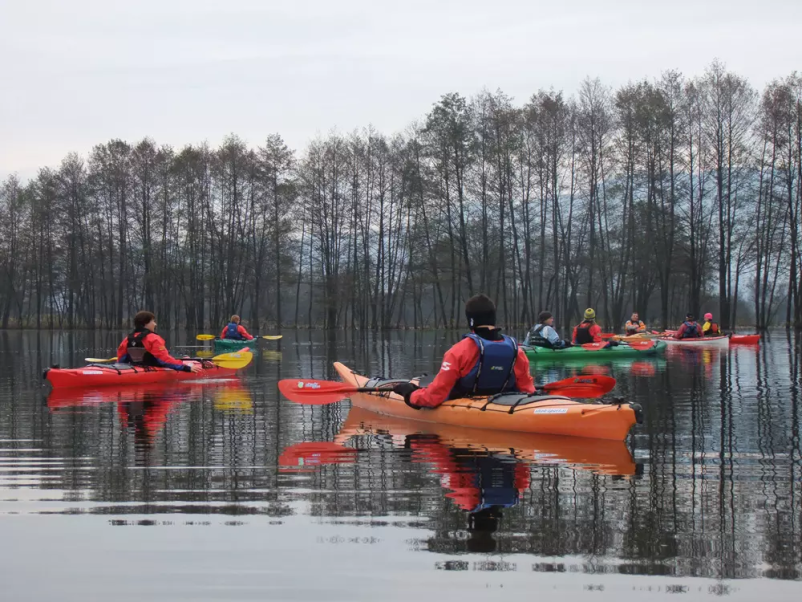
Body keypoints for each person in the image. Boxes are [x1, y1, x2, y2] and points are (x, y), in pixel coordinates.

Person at [392, 294, 535, 409]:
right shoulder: (517, 351)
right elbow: (527, 390)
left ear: (471, 321)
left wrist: (410, 394)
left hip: (465, 404)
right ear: (493, 318)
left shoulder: (458, 351)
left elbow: (434, 397)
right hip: (504, 405)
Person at [117, 310, 201, 373]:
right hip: (152, 369)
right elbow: (164, 360)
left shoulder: (127, 338)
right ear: (145, 324)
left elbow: (121, 361)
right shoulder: (153, 338)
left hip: (134, 368)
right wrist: (186, 368)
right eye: (153, 321)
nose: (155, 324)